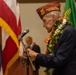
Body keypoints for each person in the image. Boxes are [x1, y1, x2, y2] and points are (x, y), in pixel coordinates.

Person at [27, 1, 76, 75]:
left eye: (44, 21)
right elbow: (53, 57)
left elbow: (58, 60)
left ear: (53, 17)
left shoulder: (68, 32)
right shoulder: (57, 33)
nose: (43, 25)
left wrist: (36, 55)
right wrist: (36, 57)